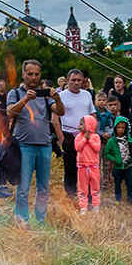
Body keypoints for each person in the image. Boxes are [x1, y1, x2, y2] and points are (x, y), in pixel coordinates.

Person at [8, 59, 64, 225]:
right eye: (30, 74)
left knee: (43, 188)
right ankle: (22, 219)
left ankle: (41, 219)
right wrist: (25, 99)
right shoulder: (16, 93)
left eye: (36, 74)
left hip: (45, 146)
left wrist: (57, 98)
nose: (33, 77)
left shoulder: (45, 95)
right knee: (23, 187)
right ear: (23, 74)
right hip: (23, 146)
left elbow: (60, 111)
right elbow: (10, 112)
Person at [55, 69, 96, 197]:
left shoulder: (87, 94)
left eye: (79, 80)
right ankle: (71, 194)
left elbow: (92, 113)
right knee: (70, 166)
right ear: (68, 81)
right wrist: (61, 139)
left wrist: (92, 132)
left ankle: (87, 193)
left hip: (86, 136)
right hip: (68, 136)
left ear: (83, 81)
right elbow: (54, 119)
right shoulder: (61, 96)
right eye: (73, 80)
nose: (76, 83)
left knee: (86, 166)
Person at [103, 116, 132, 206]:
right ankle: (118, 199)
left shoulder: (128, 140)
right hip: (117, 167)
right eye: (119, 128)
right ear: (115, 128)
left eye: (123, 128)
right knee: (117, 184)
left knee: (129, 184)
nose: (121, 130)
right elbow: (107, 153)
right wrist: (113, 159)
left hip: (128, 166)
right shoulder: (112, 141)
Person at [74, 115, 102, 214]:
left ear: (89, 125)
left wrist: (89, 139)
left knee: (95, 187)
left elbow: (97, 148)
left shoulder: (96, 137)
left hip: (93, 166)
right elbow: (78, 148)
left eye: (82, 124)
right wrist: (84, 139)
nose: (79, 126)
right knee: (82, 188)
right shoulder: (78, 137)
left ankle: (96, 205)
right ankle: (83, 206)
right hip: (82, 166)